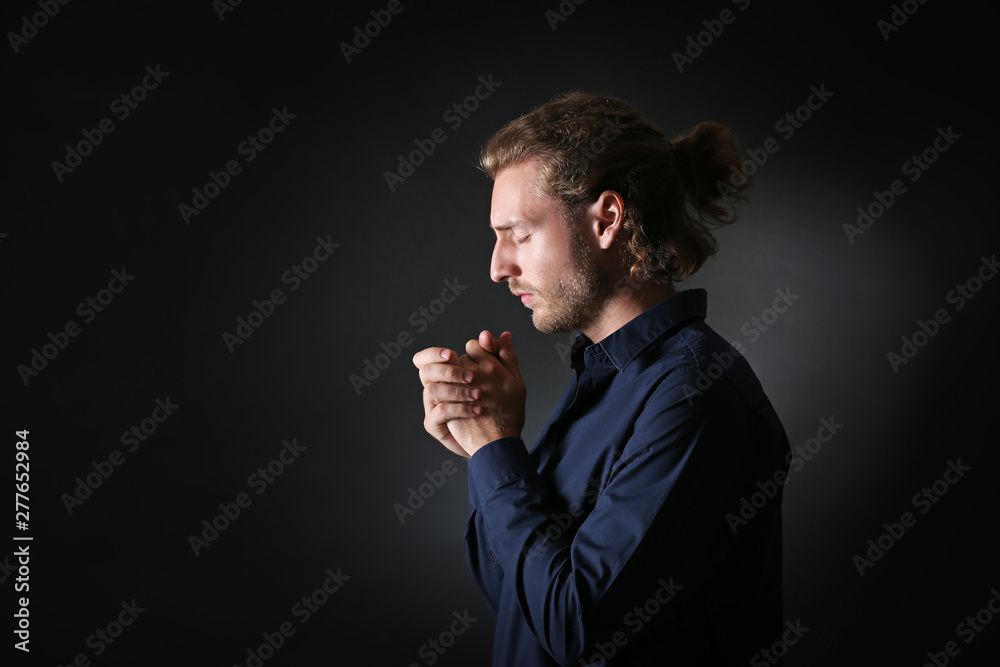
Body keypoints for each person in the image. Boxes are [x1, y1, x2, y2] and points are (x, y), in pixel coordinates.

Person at [412, 91, 791, 666]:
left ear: (607, 220)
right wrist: (485, 452)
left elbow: (577, 627)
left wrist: (497, 448)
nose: (497, 267)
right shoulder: (607, 376)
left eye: (519, 233)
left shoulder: (693, 391)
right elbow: (520, 601)